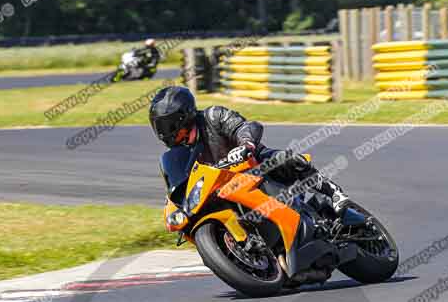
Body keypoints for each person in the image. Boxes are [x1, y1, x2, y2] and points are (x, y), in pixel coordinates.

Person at [149, 85, 353, 218]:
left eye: (171, 128)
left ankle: (333, 192)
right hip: (225, 190)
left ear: (185, 116)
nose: (169, 135)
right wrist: (174, 203)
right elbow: (181, 182)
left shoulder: (213, 116)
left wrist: (245, 145)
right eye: (162, 129)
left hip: (254, 166)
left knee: (285, 158)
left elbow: (246, 127)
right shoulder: (181, 154)